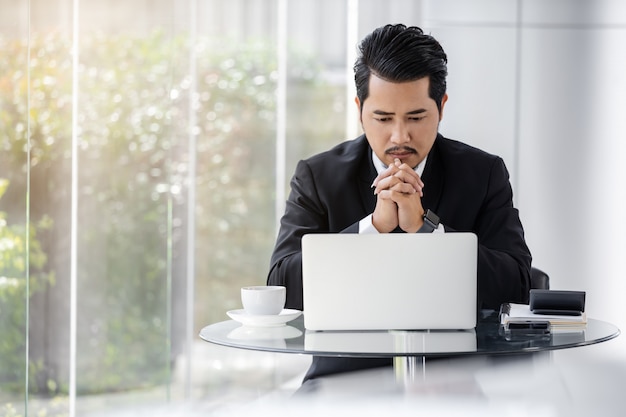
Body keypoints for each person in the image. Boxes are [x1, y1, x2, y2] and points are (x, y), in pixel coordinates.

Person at [267, 24, 532, 382]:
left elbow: (517, 286)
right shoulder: (319, 175)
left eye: (416, 117)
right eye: (383, 118)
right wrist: (371, 228)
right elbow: (280, 288)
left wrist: (426, 228)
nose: (400, 136)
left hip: (453, 381)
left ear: (441, 107)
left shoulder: (483, 173)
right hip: (341, 382)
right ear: (360, 109)